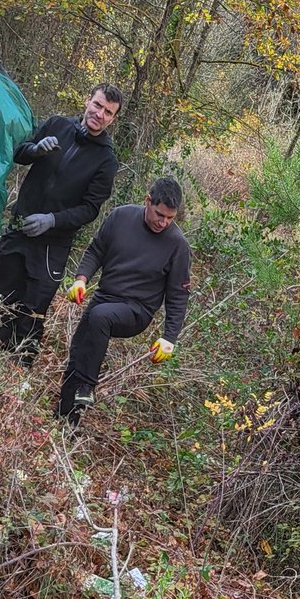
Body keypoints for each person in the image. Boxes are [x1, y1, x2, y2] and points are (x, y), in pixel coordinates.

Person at [0, 83, 122, 364]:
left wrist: (52, 220)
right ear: (88, 100)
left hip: (52, 247)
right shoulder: (57, 124)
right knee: (0, 294)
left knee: (32, 311)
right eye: (97, 105)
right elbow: (18, 152)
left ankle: (17, 369)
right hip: (20, 226)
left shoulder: (106, 161)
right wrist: (35, 149)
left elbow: (89, 209)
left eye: (108, 112)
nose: (100, 114)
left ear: (113, 119)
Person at [55, 176, 191, 425]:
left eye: (170, 218)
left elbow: (178, 296)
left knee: (99, 317)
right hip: (104, 299)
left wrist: (169, 338)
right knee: (79, 351)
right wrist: (81, 279)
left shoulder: (177, 245)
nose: (164, 222)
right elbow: (96, 250)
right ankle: (65, 420)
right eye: (160, 214)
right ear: (147, 201)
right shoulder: (120, 217)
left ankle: (87, 387)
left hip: (137, 311)